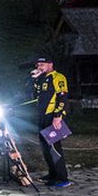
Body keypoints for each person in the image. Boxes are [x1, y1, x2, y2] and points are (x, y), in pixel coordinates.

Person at [31, 55, 71, 187]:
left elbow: (62, 97)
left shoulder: (58, 77)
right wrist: (33, 79)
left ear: (50, 64)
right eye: (38, 65)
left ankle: (62, 178)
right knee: (44, 147)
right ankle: (52, 174)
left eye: (42, 65)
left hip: (52, 117)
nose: (39, 67)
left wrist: (58, 116)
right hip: (41, 116)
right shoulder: (40, 78)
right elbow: (34, 95)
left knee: (54, 147)